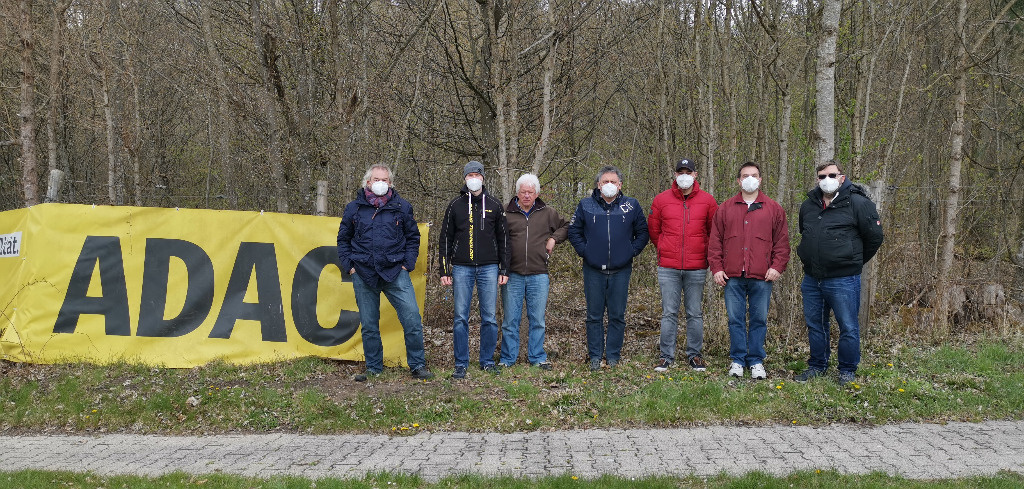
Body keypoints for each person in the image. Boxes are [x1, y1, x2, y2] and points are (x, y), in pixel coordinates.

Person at [337, 163, 434, 382]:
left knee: (412, 319)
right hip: (363, 273)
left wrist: (407, 264)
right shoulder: (353, 208)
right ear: (368, 182)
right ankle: (373, 368)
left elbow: (413, 237)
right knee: (369, 325)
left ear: (390, 183)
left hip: (395, 272)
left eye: (385, 180)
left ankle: (418, 366)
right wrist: (350, 267)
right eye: (376, 179)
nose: (380, 183)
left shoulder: (402, 207)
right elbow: (343, 240)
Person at [794, 161, 884, 384]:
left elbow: (874, 238)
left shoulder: (859, 203)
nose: (827, 180)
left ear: (842, 178)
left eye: (832, 175)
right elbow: (804, 232)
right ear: (817, 180)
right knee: (816, 325)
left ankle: (847, 370)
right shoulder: (808, 205)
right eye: (822, 176)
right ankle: (817, 365)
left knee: (848, 326)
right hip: (812, 278)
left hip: (843, 279)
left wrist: (852, 261)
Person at [707, 161, 790, 380]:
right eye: (745, 176)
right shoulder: (725, 208)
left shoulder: (773, 209)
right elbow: (715, 242)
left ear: (760, 180)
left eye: (754, 175)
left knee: (759, 319)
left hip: (762, 276)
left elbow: (782, 243)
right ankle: (737, 359)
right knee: (735, 319)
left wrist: (777, 267)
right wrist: (716, 268)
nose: (749, 179)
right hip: (732, 275)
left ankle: (755, 360)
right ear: (738, 180)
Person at [567, 165, 649, 371]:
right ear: (598, 185)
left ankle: (613, 356)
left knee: (617, 316)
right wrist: (585, 252)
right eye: (605, 182)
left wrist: (631, 251)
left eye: (613, 181)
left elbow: (642, 232)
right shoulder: (586, 205)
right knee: (593, 316)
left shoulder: (631, 205)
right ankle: (595, 356)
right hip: (593, 269)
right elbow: (574, 231)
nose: (609, 185)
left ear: (620, 185)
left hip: (621, 270)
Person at [439, 161, 509, 379]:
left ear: (483, 178)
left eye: (477, 175)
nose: (473, 179)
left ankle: (487, 361)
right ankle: (461, 363)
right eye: (470, 175)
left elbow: (504, 239)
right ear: (464, 178)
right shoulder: (455, 205)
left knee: (489, 317)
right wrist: (444, 270)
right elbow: (445, 238)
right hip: (461, 267)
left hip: (489, 267)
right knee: (461, 317)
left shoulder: (495, 205)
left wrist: (504, 269)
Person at [648, 158, 718, 373]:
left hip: (696, 267)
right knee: (669, 312)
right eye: (681, 172)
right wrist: (664, 247)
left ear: (695, 175)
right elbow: (654, 231)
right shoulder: (661, 200)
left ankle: (695, 355)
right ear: (675, 175)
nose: (684, 176)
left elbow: (713, 232)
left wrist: (703, 253)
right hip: (668, 267)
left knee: (694, 313)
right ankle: (665, 356)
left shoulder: (708, 201)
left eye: (688, 172)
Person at [499, 174, 568, 371]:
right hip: (511, 274)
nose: (527, 195)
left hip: (539, 274)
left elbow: (567, 226)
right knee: (510, 321)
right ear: (517, 193)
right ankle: (507, 358)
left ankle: (537, 357)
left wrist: (553, 239)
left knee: (537, 320)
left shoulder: (548, 212)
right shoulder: (505, 212)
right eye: (523, 192)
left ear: (537, 193)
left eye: (530, 192)